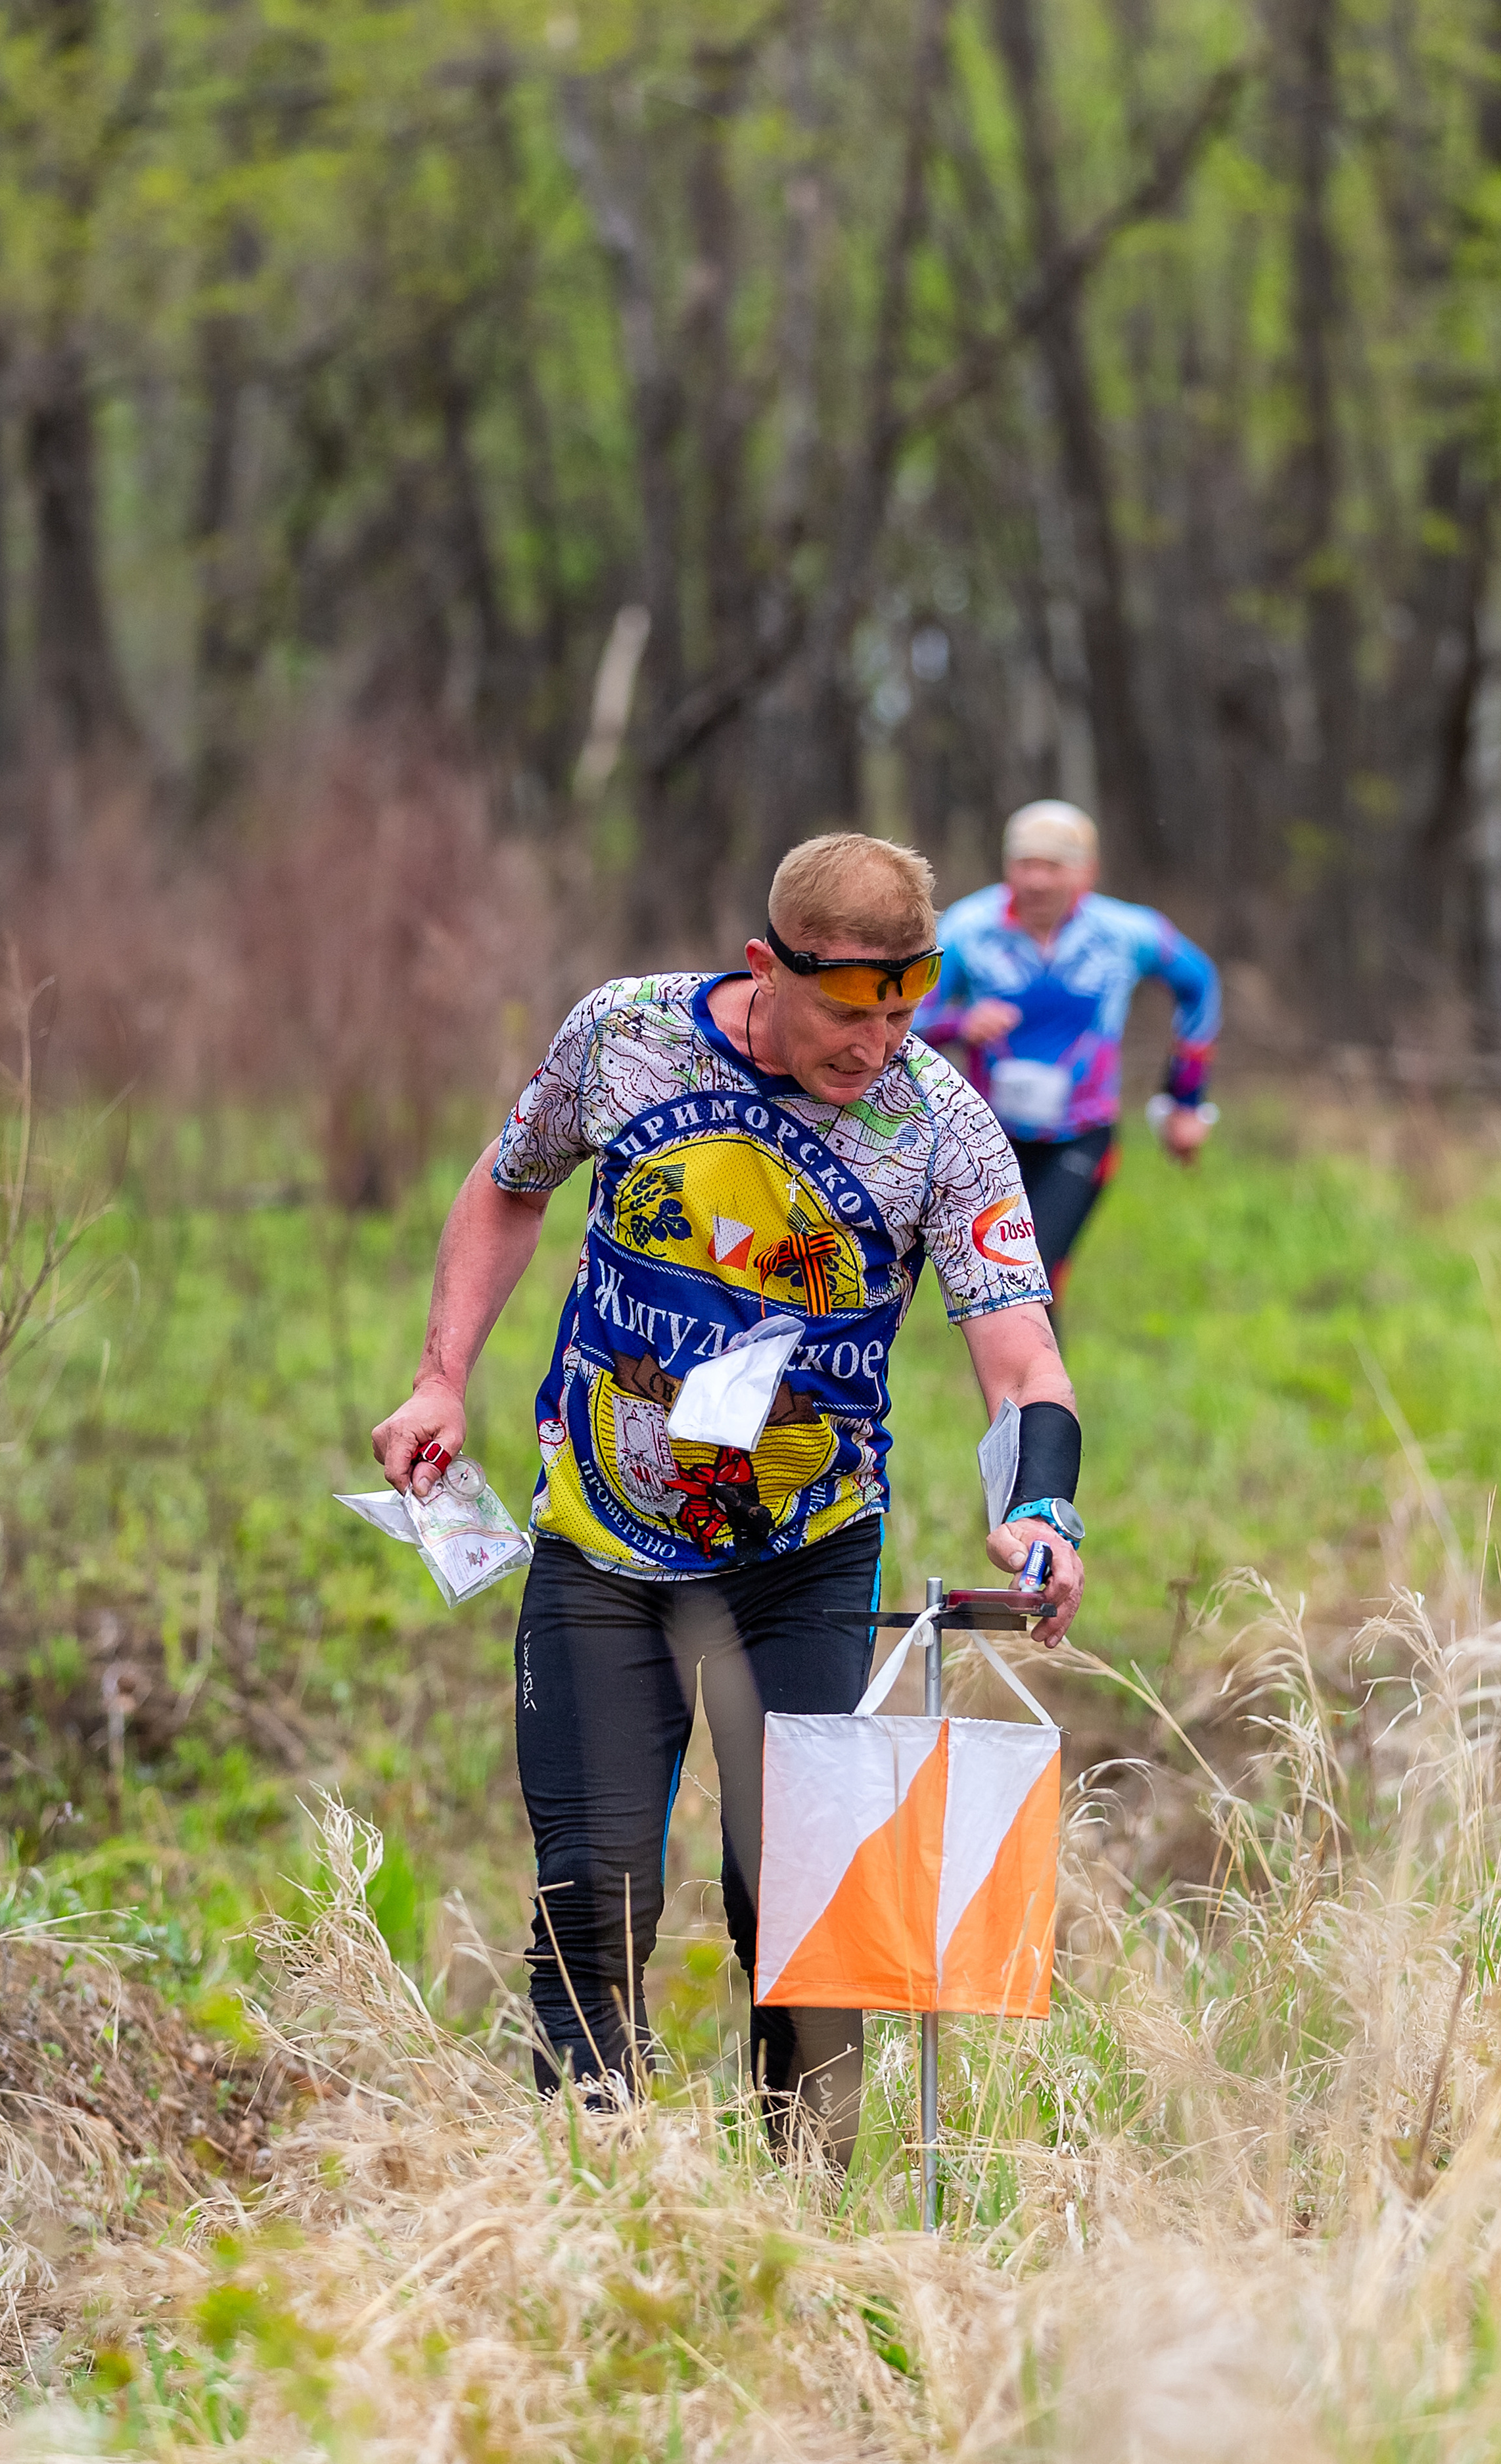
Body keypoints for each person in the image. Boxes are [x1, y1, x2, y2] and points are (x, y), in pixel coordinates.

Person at [370, 832, 1086, 2169]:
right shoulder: (626, 1035)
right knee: (593, 1893)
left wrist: (1041, 1508)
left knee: (798, 1912)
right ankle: (593, 2211)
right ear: (765, 967)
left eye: (900, 1011)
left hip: (802, 1558)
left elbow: (1021, 1359)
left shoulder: (940, 1123)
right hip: (602, 1543)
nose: (872, 1047)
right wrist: (438, 1380)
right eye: (842, 1013)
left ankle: (800, 2230)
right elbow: (509, 1185)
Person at [915, 801, 1220, 1316]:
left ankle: (1041, 1398)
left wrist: (1185, 1099)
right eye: (1024, 864)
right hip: (986, 1137)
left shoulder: (1126, 933)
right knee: (1000, 1285)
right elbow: (908, 1020)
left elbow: (1200, 985)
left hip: (1081, 1134)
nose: (1035, 880)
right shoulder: (969, 927)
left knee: (1033, 1273)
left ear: (1086, 872)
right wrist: (960, 1024)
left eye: (1052, 867)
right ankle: (1027, 1396)